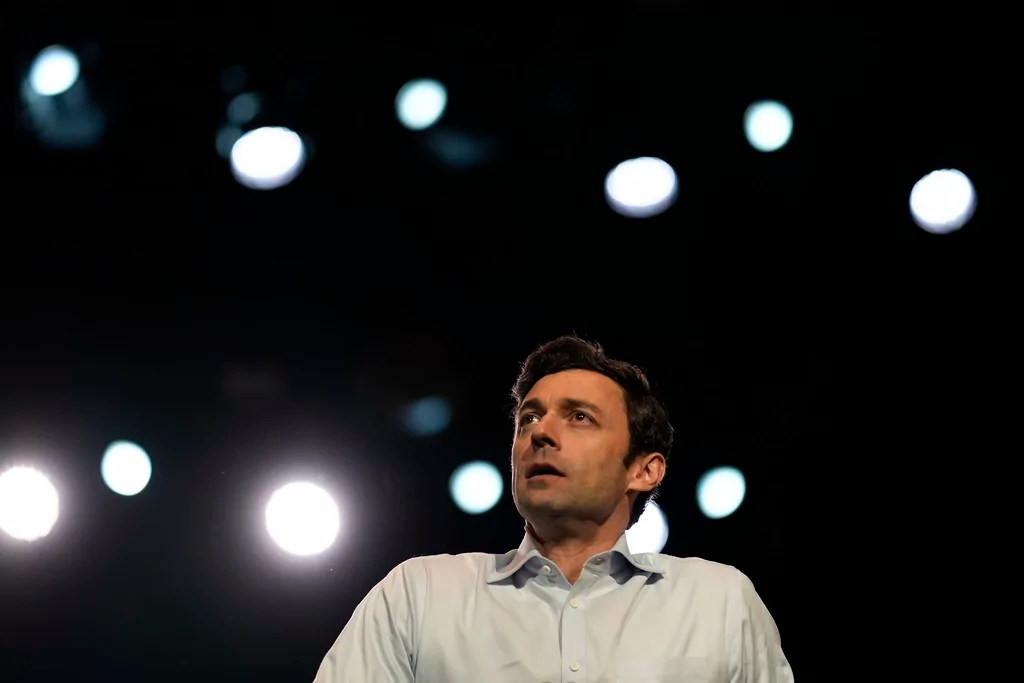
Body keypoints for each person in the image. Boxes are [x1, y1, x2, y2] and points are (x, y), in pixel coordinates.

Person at [311, 334, 794, 682]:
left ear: (644, 469)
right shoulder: (419, 596)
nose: (540, 432)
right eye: (529, 417)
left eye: (579, 417)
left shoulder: (719, 602)